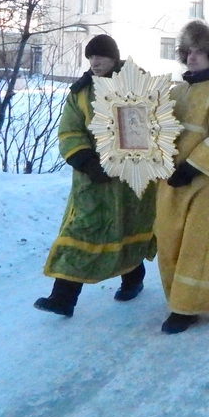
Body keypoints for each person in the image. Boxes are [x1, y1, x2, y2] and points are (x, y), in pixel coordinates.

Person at [34, 34, 155, 318]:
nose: (95, 62)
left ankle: (133, 279)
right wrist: (86, 161)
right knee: (81, 231)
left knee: (126, 229)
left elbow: (153, 123)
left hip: (129, 180)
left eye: (100, 56)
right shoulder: (81, 92)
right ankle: (63, 298)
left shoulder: (137, 83)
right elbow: (69, 130)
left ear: (114, 57)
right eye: (90, 57)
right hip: (92, 180)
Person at [155, 21, 209, 334]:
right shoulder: (176, 92)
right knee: (168, 238)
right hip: (170, 181)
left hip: (205, 183)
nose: (192, 57)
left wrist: (192, 167)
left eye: (199, 52)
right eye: (188, 51)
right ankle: (175, 297)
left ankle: (187, 306)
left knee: (196, 243)